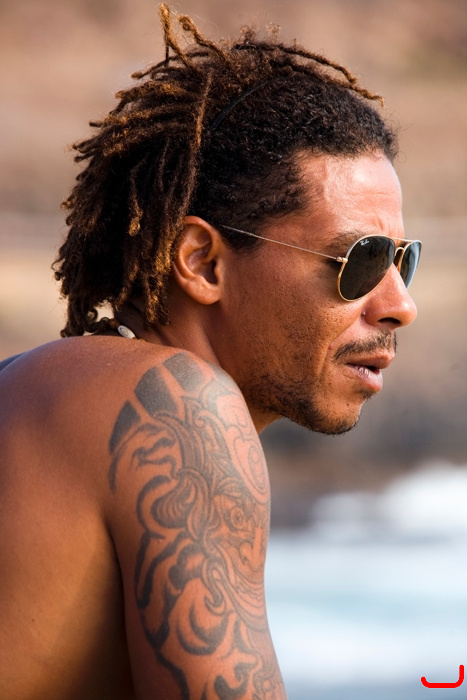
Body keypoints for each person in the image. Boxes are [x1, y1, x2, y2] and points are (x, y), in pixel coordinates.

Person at [0, 5, 421, 699]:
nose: (399, 304)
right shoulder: (178, 407)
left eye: (403, 261)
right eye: (360, 259)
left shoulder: (34, 393)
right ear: (202, 262)